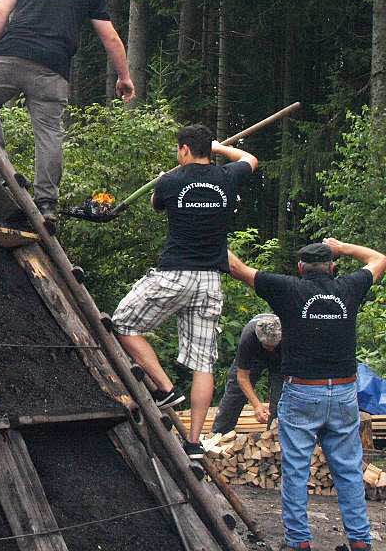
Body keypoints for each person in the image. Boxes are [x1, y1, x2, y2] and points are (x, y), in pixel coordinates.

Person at [227, 239, 386, 551]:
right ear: (333, 266)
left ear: (300, 268)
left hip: (302, 392)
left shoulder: (288, 289)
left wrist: (209, 228)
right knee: (349, 472)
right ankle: (360, 542)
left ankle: (299, 543)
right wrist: (343, 247)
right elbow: (380, 258)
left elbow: (236, 267)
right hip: (343, 392)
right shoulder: (349, 287)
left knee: (297, 472)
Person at [111, 124, 256, 460]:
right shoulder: (227, 177)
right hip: (210, 281)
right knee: (203, 363)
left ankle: (165, 388)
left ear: (185, 150)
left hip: (175, 274)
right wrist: (221, 149)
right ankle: (193, 443)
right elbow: (250, 158)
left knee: (122, 324)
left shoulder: (170, 181)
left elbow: (154, 204)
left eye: (180, 149)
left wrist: (167, 177)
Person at [0, 0, 135, 222]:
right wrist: (124, 77)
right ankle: (46, 204)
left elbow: (0, 13)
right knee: (48, 133)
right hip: (53, 69)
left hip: (11, 54)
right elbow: (109, 37)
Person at [211, 313, 283, 434]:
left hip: (281, 357)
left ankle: (276, 433)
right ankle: (221, 432)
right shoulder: (249, 337)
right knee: (235, 391)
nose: (270, 349)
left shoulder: (290, 333)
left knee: (281, 396)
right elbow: (242, 377)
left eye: (272, 346)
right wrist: (257, 406)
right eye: (267, 346)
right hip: (255, 355)